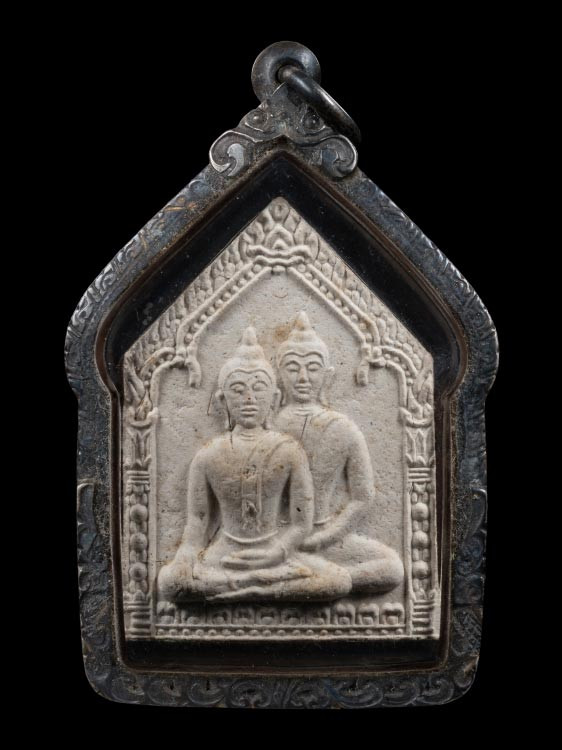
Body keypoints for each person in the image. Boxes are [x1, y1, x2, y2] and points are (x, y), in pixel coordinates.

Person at [157, 326, 352, 603]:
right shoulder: (208, 455)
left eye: (258, 388)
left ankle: (247, 589)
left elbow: (301, 522)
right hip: (224, 554)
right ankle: (256, 585)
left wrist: (278, 553)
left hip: (276, 552)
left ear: (274, 398)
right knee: (169, 582)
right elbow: (197, 521)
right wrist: (185, 556)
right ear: (222, 400)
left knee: (340, 581)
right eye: (238, 390)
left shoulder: (289, 450)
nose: (249, 398)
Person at [274, 312, 404, 594]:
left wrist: (323, 538)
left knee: (392, 567)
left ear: (328, 375)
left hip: (326, 536)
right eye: (293, 368)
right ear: (279, 375)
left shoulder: (343, 428)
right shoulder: (268, 426)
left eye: (313, 368)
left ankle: (305, 582)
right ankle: (323, 582)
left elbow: (363, 497)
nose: (303, 377)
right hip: (275, 538)